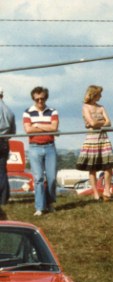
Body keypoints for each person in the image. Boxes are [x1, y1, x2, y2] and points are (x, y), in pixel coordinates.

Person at [75, 85, 113, 201]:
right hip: (92, 139)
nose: (101, 96)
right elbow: (92, 123)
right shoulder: (85, 107)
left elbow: (109, 122)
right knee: (92, 168)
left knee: (108, 166)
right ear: (93, 94)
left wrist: (97, 123)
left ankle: (107, 191)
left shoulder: (101, 107)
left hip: (103, 138)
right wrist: (100, 122)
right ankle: (96, 193)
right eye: (99, 94)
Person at [23, 86, 59, 216]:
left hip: (50, 147)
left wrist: (37, 125)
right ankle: (39, 207)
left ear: (46, 98)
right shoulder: (27, 112)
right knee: (38, 178)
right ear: (33, 98)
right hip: (34, 147)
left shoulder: (53, 111)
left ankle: (49, 203)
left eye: (42, 98)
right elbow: (28, 130)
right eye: (37, 99)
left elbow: (54, 127)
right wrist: (47, 127)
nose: (40, 101)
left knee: (52, 178)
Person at [0, 86, 16, 219]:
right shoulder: (9, 110)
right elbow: (13, 131)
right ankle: (4, 198)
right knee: (2, 171)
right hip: (4, 142)